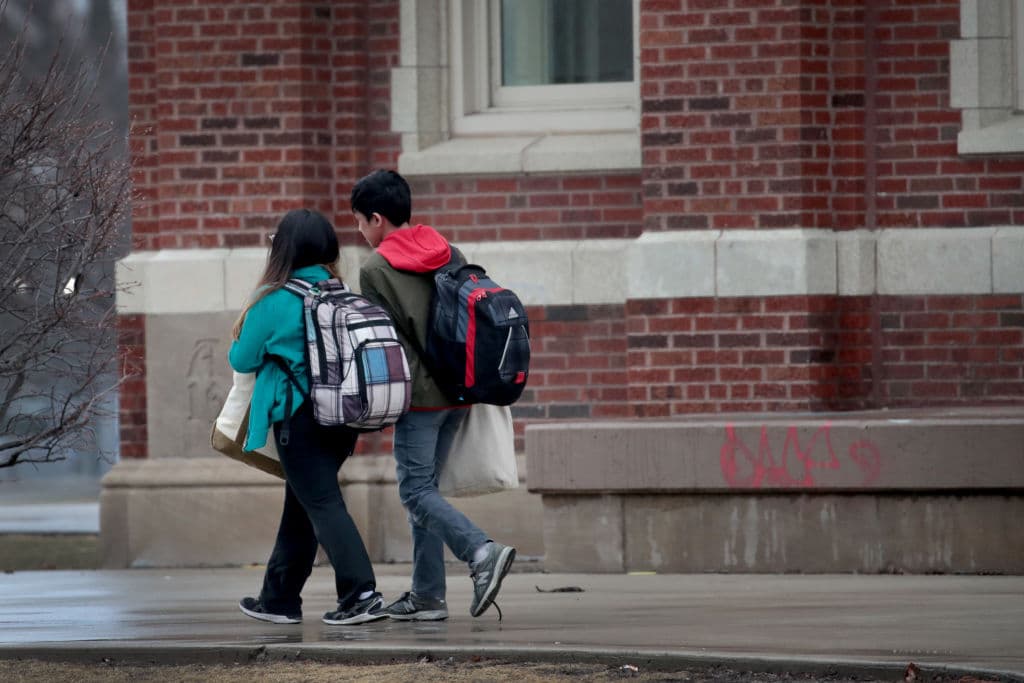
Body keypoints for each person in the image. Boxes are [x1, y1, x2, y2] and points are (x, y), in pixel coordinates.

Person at [352, 169, 516, 621]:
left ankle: (481, 552)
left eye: (360, 222)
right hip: (460, 390)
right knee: (427, 491)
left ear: (378, 219)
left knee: (415, 491)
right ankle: (427, 596)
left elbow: (388, 344)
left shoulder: (375, 269)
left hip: (420, 398)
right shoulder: (447, 249)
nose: (359, 231)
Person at [229, 208, 385, 626]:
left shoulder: (274, 300)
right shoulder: (341, 291)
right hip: (343, 419)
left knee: (322, 504)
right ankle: (278, 599)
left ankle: (361, 594)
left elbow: (242, 359)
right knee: (301, 506)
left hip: (299, 423)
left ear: (284, 250)